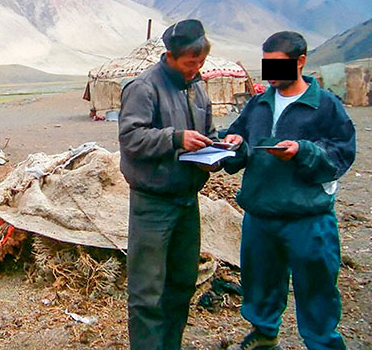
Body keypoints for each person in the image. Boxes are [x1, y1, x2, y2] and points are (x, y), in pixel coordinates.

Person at [222, 31, 356, 350]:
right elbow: (240, 137)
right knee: (261, 285)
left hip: (307, 217)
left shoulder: (325, 105)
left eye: (277, 66)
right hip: (261, 215)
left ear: (301, 62)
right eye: (266, 66)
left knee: (317, 290)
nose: (270, 74)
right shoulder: (259, 103)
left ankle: (322, 343)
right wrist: (233, 144)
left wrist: (302, 151)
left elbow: (342, 153)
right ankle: (265, 336)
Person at [118, 19, 217, 350]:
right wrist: (176, 139)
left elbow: (207, 133)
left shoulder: (197, 87)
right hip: (153, 204)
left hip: (188, 201)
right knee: (147, 292)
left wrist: (222, 144)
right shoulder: (143, 87)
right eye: (190, 63)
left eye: (200, 63)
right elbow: (131, 138)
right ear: (170, 56)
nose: (196, 69)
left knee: (181, 284)